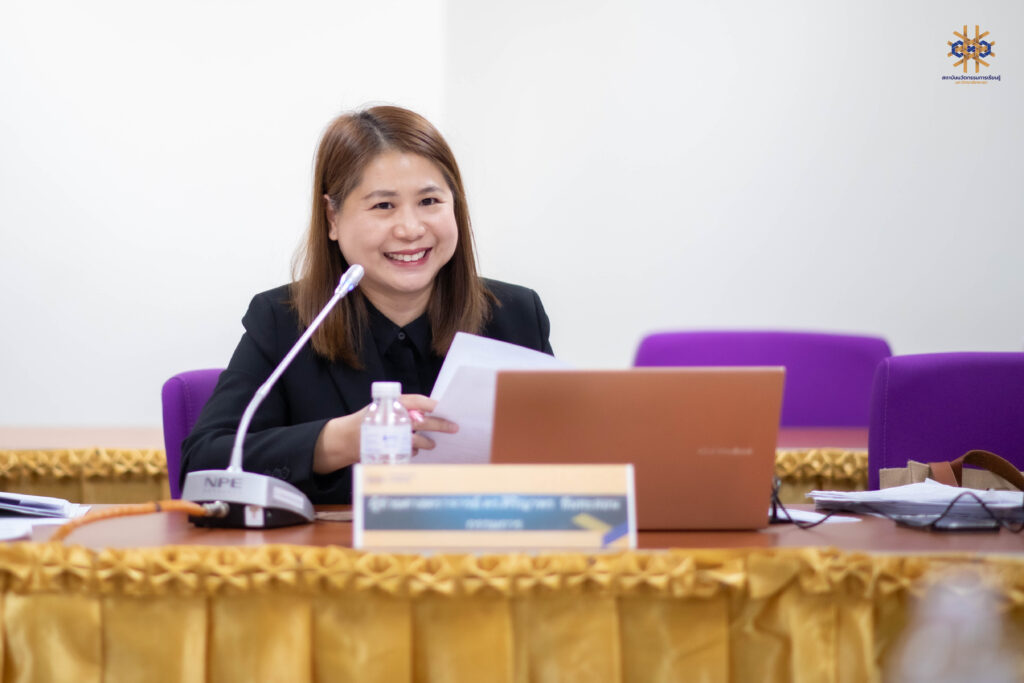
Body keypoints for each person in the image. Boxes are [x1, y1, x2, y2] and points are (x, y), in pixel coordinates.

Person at [180, 106, 553, 503]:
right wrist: (340, 440)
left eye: (429, 200)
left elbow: (564, 455)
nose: (410, 229)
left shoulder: (516, 314)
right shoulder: (284, 321)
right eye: (383, 206)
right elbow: (203, 463)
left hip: (483, 539)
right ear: (333, 218)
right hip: (338, 544)